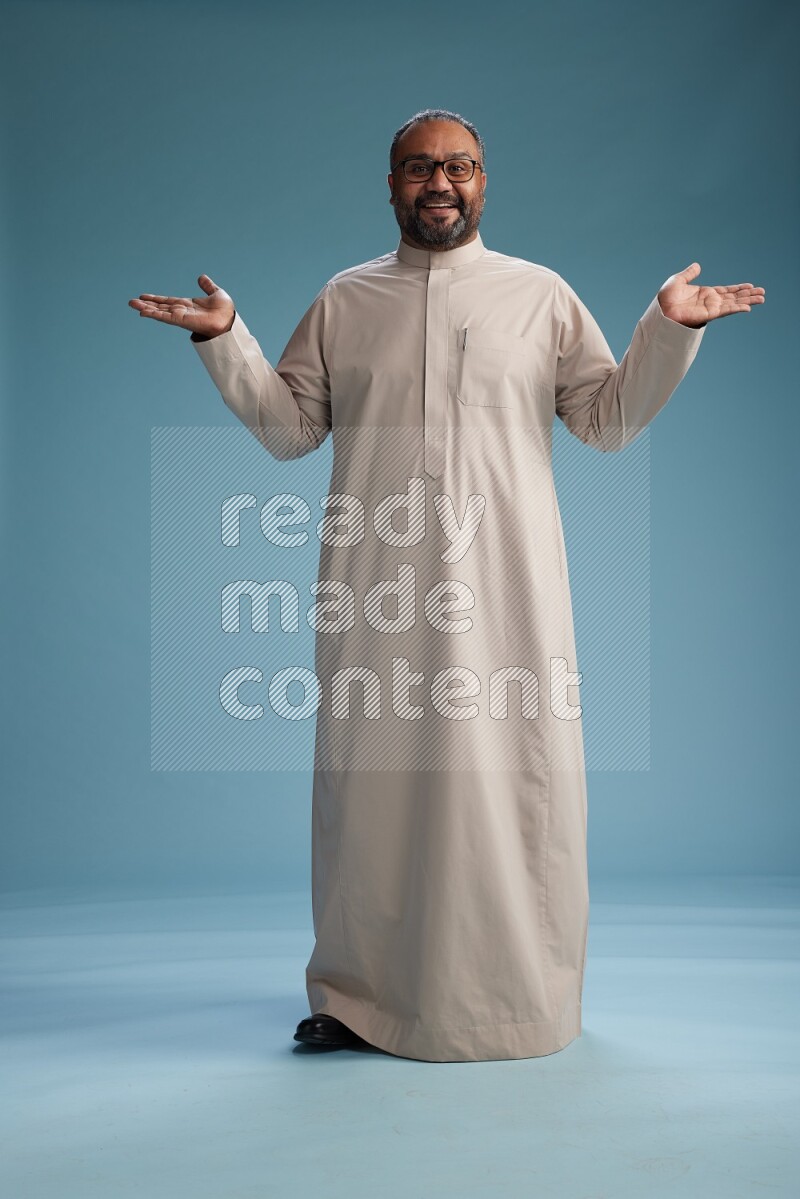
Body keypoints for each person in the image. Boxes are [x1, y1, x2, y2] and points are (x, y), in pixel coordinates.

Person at [129, 108, 765, 1063]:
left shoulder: (538, 294)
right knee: (372, 791)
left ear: (483, 182)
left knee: (514, 790)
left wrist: (667, 330)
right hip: (375, 589)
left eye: (459, 167)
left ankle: (522, 1001)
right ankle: (354, 997)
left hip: (507, 591)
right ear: (388, 184)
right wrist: (227, 341)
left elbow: (605, 419)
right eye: (419, 167)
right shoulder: (347, 299)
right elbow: (290, 428)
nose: (440, 182)